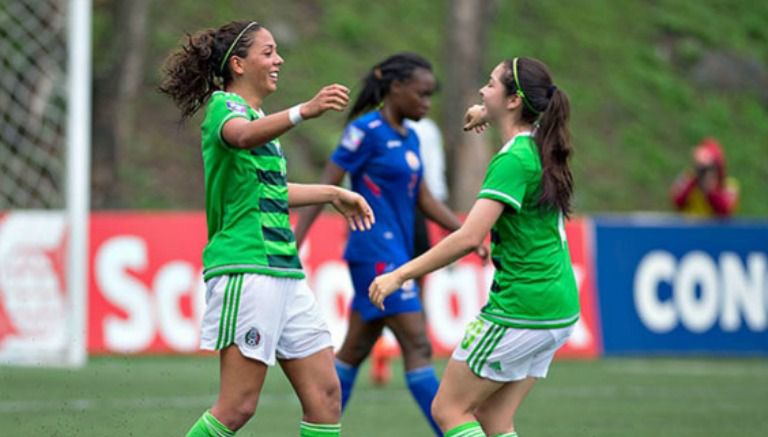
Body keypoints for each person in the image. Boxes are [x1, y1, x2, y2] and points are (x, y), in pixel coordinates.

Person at [159, 20, 375, 437]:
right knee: (238, 406)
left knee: (326, 397)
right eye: (268, 52)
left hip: (285, 272)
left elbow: (269, 190)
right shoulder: (226, 108)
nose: (279, 60)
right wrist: (303, 111)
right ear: (238, 64)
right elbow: (239, 137)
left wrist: (331, 192)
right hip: (247, 268)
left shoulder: (257, 117)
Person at [369, 57, 580, 437]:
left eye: (490, 84)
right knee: (494, 420)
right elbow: (505, 112)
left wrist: (400, 274)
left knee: (448, 410)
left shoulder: (513, 160)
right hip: (558, 305)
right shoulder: (537, 147)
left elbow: (469, 237)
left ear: (513, 101)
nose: (482, 90)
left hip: (523, 307)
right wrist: (487, 111)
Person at [294, 52, 483, 436]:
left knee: (354, 350)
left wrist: (467, 233)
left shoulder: (410, 136)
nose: (426, 103)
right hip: (375, 253)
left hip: (397, 251)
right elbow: (326, 186)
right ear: (396, 88)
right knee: (418, 344)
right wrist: (295, 240)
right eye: (422, 94)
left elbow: (425, 199)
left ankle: (319, 427)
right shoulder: (364, 131)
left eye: (431, 96)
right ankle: (455, 431)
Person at [369, 116, 449, 386]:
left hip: (389, 214)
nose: (424, 102)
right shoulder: (426, 129)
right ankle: (413, 349)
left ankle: (393, 347)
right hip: (409, 213)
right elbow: (434, 180)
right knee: (411, 281)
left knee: (387, 282)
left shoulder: (377, 126)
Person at [670, 137, 739, 217]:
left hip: (716, 229)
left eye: (711, 168)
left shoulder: (729, 186)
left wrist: (711, 191)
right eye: (703, 169)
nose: (706, 173)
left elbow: (725, 211)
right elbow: (677, 203)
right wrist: (695, 179)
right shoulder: (689, 180)